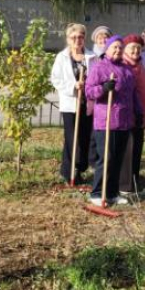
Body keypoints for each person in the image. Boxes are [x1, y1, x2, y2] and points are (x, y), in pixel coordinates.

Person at [85, 35, 141, 206]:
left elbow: (133, 93)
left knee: (118, 158)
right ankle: (96, 193)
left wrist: (138, 112)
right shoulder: (99, 67)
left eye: (120, 47)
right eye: (114, 47)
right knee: (106, 158)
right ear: (107, 49)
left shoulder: (127, 70)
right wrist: (103, 88)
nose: (117, 50)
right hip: (106, 120)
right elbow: (88, 91)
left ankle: (112, 193)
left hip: (125, 121)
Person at [50, 23, 95, 184]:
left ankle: (80, 169)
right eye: (74, 37)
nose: (77, 40)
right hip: (70, 104)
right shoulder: (62, 57)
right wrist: (73, 87)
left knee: (84, 137)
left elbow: (97, 77)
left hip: (87, 103)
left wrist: (89, 85)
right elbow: (55, 79)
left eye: (81, 37)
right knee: (71, 138)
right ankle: (68, 172)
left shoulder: (91, 57)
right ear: (68, 39)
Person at [121, 33, 145, 194]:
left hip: (141, 115)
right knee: (128, 150)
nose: (136, 51)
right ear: (125, 49)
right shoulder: (124, 66)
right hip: (128, 116)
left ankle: (134, 179)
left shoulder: (141, 66)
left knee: (138, 148)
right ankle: (125, 185)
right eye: (132, 48)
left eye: (138, 48)